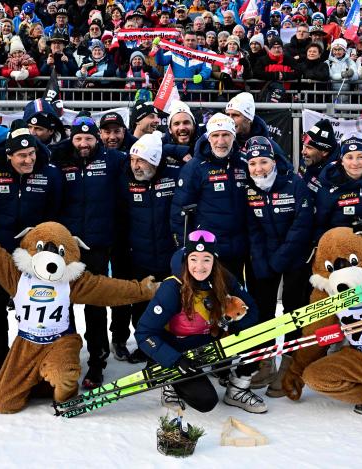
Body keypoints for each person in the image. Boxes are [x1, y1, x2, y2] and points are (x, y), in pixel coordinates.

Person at [134, 230, 266, 414]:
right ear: (186, 259)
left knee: (261, 333)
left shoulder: (224, 278)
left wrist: (236, 327)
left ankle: (237, 389)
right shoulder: (172, 287)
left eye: (206, 259)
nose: (200, 266)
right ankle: (168, 379)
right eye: (194, 259)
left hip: (210, 343)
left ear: (214, 260)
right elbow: (144, 333)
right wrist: (174, 360)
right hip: (179, 351)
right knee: (205, 401)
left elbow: (250, 308)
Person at [49, 116, 127, 389]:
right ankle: (66, 357)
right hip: (65, 247)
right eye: (78, 139)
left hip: (98, 243)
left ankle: (97, 361)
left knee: (95, 304)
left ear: (98, 139)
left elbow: (145, 149)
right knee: (63, 304)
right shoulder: (60, 159)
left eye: (89, 139)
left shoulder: (114, 159)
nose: (83, 144)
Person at [0, 129, 63, 367]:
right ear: (9, 156)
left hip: (35, 255)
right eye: (21, 156)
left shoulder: (50, 174)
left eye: (31, 153)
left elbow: (55, 212)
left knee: (38, 305)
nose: (28, 160)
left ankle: (38, 357)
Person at [243, 136, 314, 396]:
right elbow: (252, 229)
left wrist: (279, 259)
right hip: (265, 259)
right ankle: (265, 362)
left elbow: (302, 226)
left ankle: (289, 365)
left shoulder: (295, 183)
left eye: (263, 162)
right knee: (262, 311)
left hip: (295, 257)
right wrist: (262, 262)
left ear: (274, 161)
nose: (258, 168)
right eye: (252, 163)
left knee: (294, 311)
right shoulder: (248, 189)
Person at [111, 131, 181, 362]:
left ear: (155, 159)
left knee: (168, 304)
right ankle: (144, 345)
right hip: (137, 255)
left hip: (168, 254)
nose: (135, 166)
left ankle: (167, 344)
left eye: (141, 160)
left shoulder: (174, 174)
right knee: (141, 306)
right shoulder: (124, 178)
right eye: (133, 160)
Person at [171, 113, 249, 281]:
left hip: (241, 249)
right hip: (207, 251)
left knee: (235, 300)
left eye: (226, 135)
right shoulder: (195, 167)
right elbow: (179, 212)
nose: (221, 141)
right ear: (208, 137)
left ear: (233, 136)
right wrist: (188, 249)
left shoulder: (244, 163)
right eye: (216, 135)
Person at [299, 118, 340, 194]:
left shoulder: (338, 174)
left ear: (324, 152)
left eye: (309, 148)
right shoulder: (307, 159)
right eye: (304, 146)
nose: (303, 152)